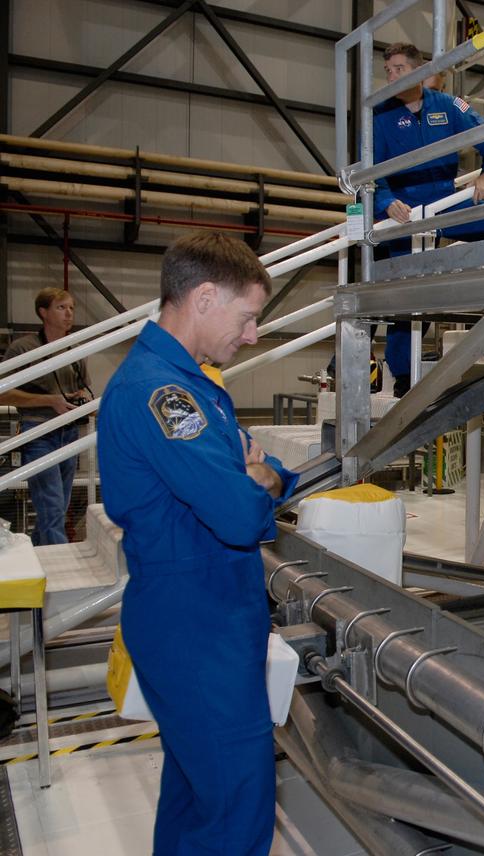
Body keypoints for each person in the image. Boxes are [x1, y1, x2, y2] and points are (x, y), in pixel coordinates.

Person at [97, 232, 299, 856]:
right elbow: (240, 513)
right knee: (235, 811)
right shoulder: (160, 393)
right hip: (197, 626)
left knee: (194, 797)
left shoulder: (193, 384)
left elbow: (267, 477)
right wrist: (257, 479)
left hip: (207, 617)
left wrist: (261, 477)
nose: (253, 335)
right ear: (205, 297)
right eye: (247, 316)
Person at [375, 41, 484, 396]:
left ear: (417, 71)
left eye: (399, 69)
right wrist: (386, 201)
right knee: (408, 296)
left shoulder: (448, 105)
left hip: (447, 201)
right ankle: (402, 376)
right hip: (407, 213)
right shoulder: (379, 114)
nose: (392, 76)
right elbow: (371, 171)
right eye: (388, 71)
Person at [1, 288, 93, 545]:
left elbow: (82, 389)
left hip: (69, 432)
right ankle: (60, 572)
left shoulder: (74, 349)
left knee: (55, 511)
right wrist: (48, 401)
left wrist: (78, 400)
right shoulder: (23, 348)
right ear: (43, 312)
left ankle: (39, 560)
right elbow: (2, 393)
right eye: (61, 307)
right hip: (38, 431)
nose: (69, 314)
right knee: (52, 510)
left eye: (72, 308)